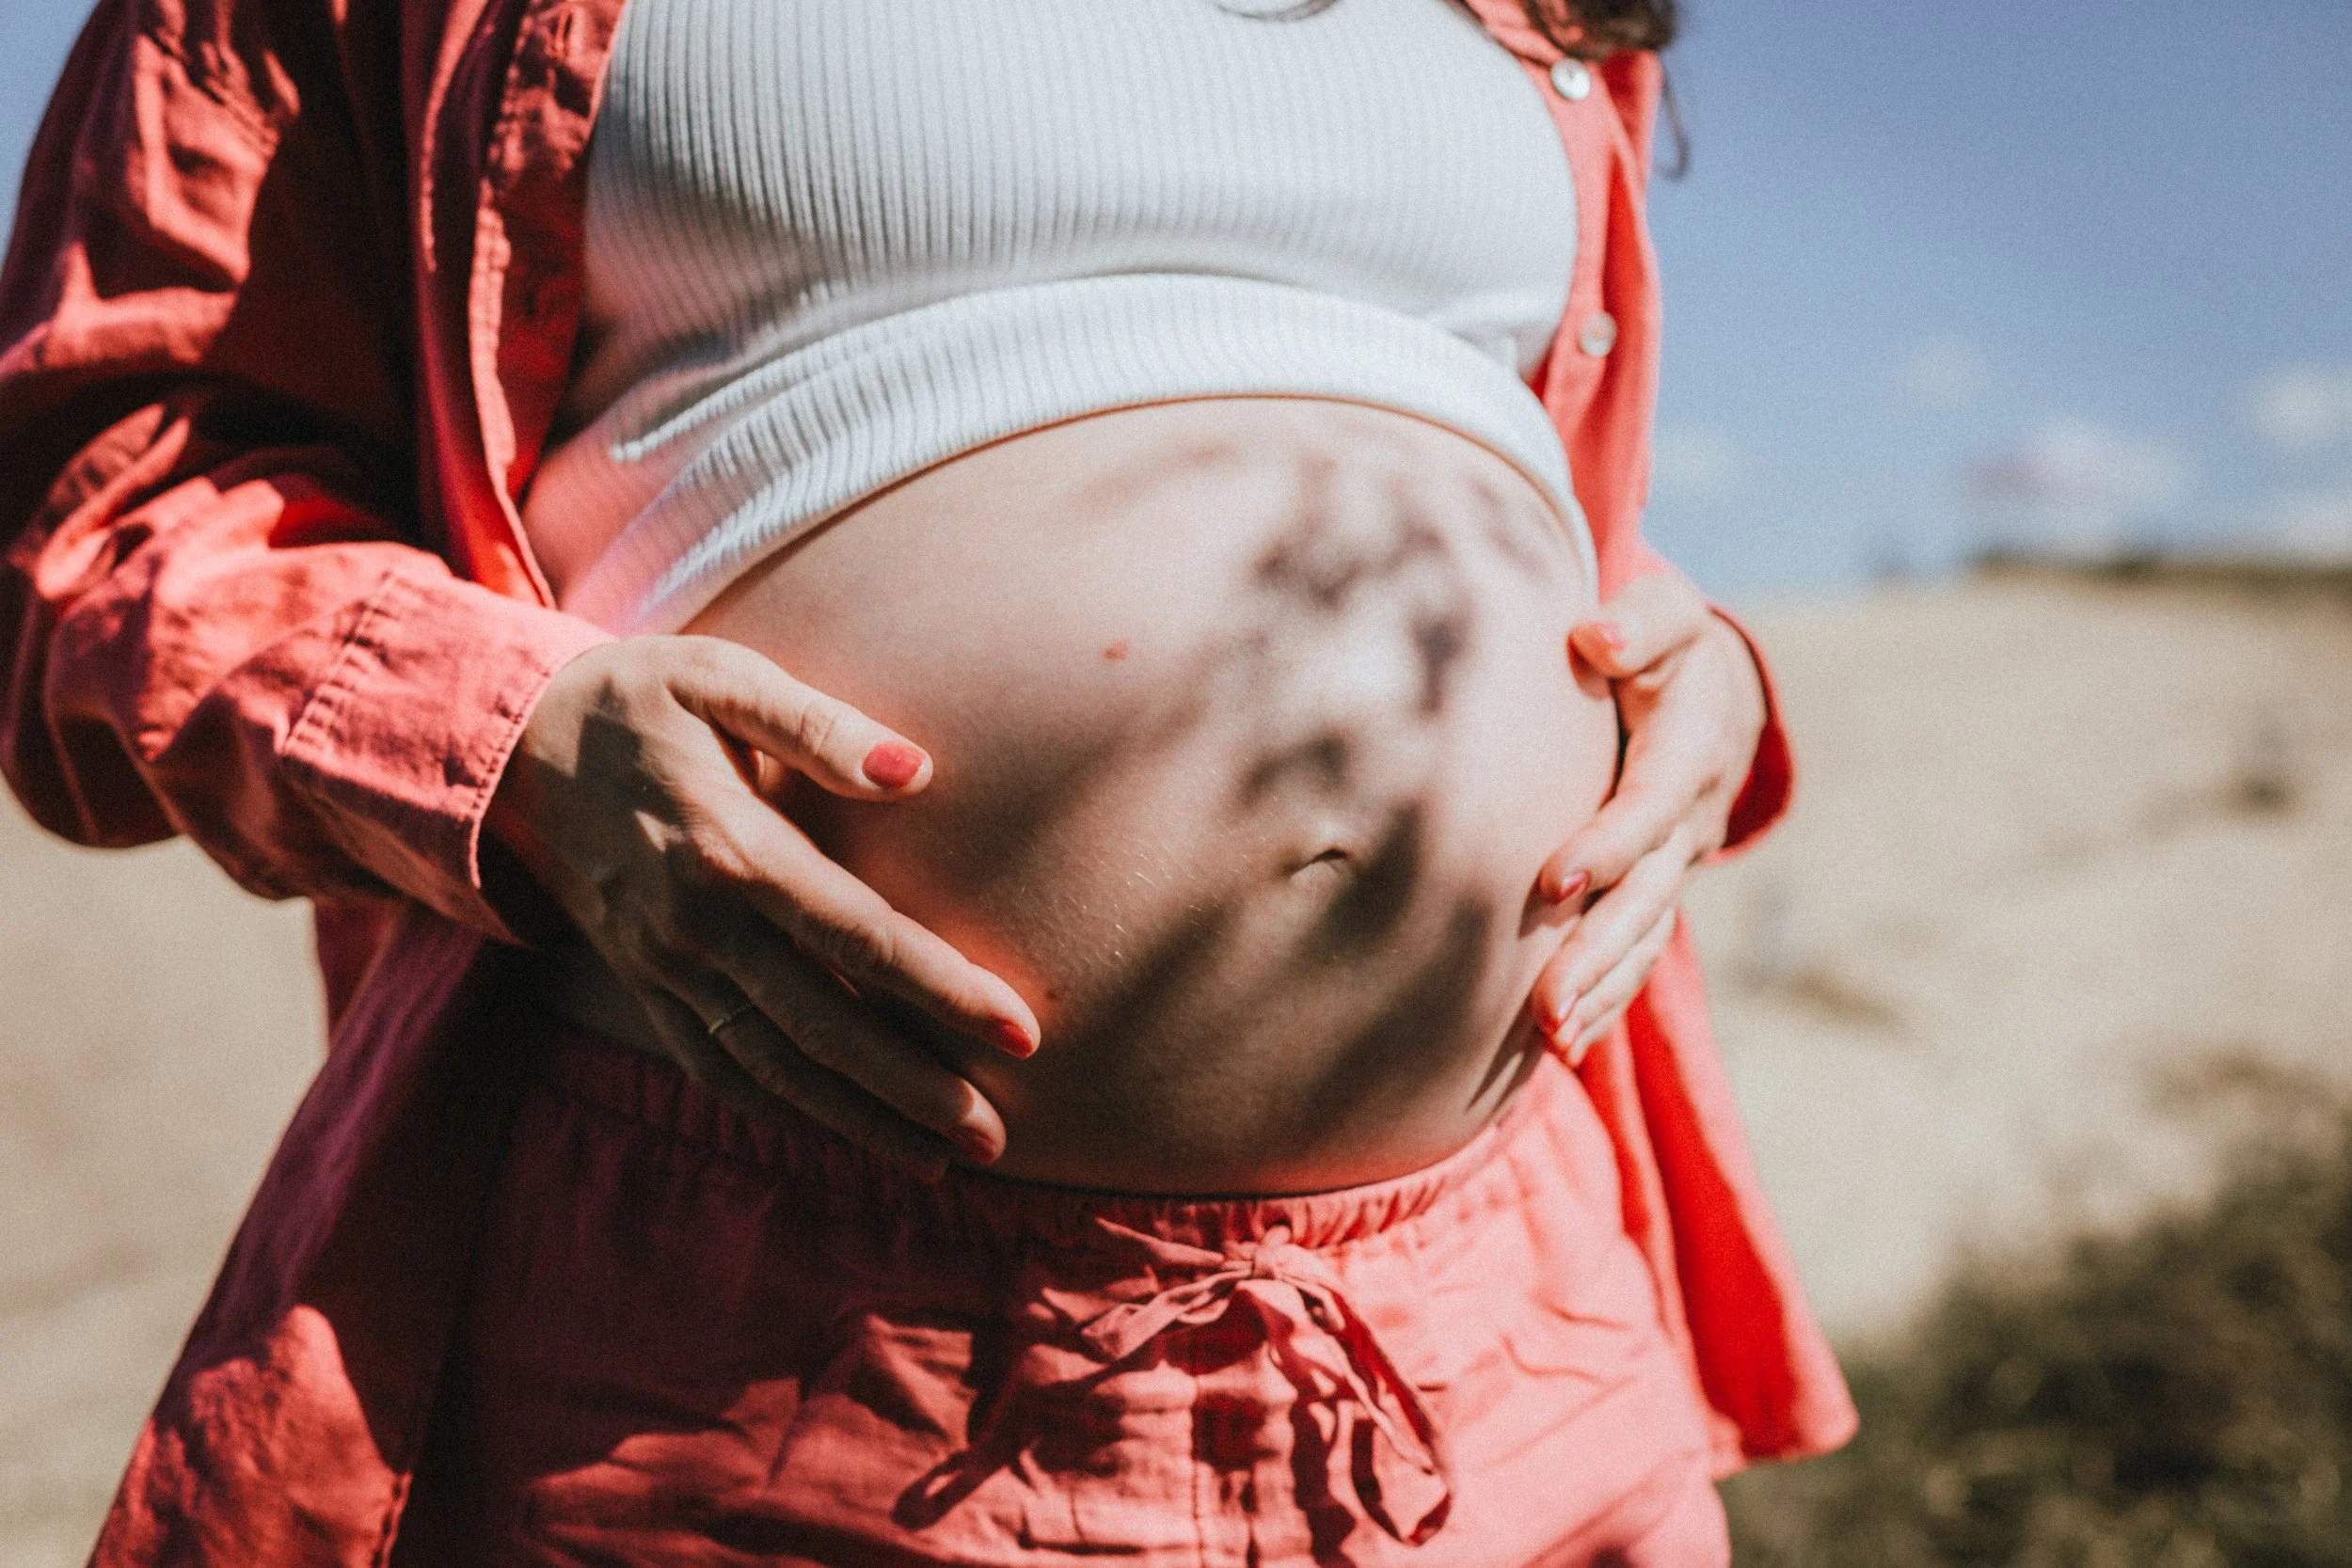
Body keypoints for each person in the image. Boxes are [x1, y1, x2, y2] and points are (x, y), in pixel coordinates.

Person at [0, 0, 1856, 1561]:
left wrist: (1678, 658)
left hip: (1493, 1316)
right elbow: (104, 504)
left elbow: (1477, 427)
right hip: (764, 1349)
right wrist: (509, 745)